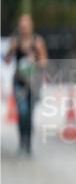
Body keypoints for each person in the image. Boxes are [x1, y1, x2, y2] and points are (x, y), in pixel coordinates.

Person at [3, 14, 48, 155]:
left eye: (26, 25)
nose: (24, 27)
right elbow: (6, 60)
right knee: (22, 112)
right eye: (21, 25)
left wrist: (34, 61)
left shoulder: (37, 41)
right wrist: (11, 49)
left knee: (29, 114)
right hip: (19, 82)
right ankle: (22, 142)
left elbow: (44, 61)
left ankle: (28, 143)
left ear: (31, 26)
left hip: (33, 83)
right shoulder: (15, 41)